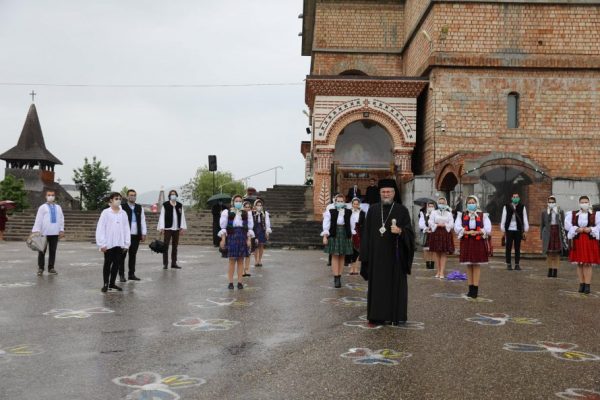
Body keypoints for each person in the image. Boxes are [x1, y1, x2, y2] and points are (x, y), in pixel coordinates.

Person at [360, 179, 415, 326]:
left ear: (394, 193)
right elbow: (365, 233)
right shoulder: (372, 210)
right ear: (379, 193)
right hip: (376, 256)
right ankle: (376, 316)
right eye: (383, 191)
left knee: (394, 285)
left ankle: (394, 315)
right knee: (377, 286)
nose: (386, 194)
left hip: (394, 256)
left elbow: (410, 233)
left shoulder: (401, 210)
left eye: (389, 191)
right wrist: (365, 256)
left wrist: (400, 231)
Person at [454, 195, 492, 298]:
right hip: (467, 241)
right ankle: (470, 289)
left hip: (478, 242)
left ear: (477, 203)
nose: (471, 204)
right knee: (469, 265)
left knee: (476, 265)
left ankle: (475, 289)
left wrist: (478, 232)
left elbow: (488, 228)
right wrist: (466, 231)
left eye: (473, 202)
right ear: (466, 204)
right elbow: (457, 227)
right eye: (469, 203)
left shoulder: (482, 215)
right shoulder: (461, 215)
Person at [95, 192, 130, 293]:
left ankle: (112, 283)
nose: (118, 200)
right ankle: (105, 284)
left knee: (116, 264)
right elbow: (100, 228)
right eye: (116, 198)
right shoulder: (106, 213)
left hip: (119, 243)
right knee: (107, 263)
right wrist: (102, 243)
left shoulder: (123, 213)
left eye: (119, 198)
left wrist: (126, 243)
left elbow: (126, 228)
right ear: (111, 200)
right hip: (108, 243)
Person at [564, 195, 599, 294]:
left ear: (589, 203)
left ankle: (587, 285)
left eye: (586, 202)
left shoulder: (595, 214)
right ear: (579, 203)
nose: (584, 204)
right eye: (582, 202)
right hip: (578, 240)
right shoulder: (573, 214)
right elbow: (567, 224)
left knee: (587, 263)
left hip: (589, 240)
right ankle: (581, 283)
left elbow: (599, 225)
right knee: (579, 263)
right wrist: (576, 229)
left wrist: (591, 229)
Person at [219, 195, 254, 289]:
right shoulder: (227, 212)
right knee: (231, 261)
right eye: (236, 201)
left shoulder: (246, 213)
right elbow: (223, 227)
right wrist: (223, 239)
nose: (238, 202)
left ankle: (240, 282)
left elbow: (249, 228)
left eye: (240, 201)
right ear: (233, 202)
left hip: (242, 237)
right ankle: (230, 282)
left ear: (242, 202)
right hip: (231, 237)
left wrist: (249, 240)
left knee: (240, 261)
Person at [322, 193, 353, 288]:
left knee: (342, 255)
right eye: (338, 201)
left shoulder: (348, 211)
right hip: (334, 233)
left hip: (344, 233)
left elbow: (351, 224)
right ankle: (336, 277)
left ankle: (339, 275)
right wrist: (325, 236)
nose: (340, 202)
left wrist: (351, 235)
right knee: (335, 255)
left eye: (341, 201)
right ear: (335, 202)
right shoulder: (330, 211)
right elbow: (326, 224)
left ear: (344, 202)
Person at [32, 190, 65, 276]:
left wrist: (61, 230)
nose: (51, 196)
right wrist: (36, 231)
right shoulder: (42, 207)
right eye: (49, 195)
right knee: (41, 251)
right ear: (46, 196)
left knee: (53, 251)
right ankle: (41, 268)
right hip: (43, 233)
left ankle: (51, 268)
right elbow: (38, 219)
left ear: (55, 196)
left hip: (55, 233)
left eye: (52, 195)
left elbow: (61, 219)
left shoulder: (58, 207)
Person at [120, 189, 147, 282]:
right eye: (131, 195)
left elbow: (143, 221)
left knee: (133, 255)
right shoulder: (122, 207)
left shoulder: (139, 208)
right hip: (125, 235)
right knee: (122, 255)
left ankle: (131, 274)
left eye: (134, 195)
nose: (133, 197)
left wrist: (143, 233)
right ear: (127, 197)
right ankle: (121, 275)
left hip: (136, 235)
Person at [158, 190, 187, 269]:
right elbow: (162, 216)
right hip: (168, 228)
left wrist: (182, 227)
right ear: (169, 196)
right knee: (165, 246)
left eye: (174, 194)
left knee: (175, 246)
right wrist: (162, 227)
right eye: (171, 194)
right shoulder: (165, 205)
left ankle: (174, 263)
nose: (173, 195)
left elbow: (182, 217)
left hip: (176, 228)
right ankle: (165, 263)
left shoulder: (180, 205)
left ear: (176, 196)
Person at [500, 193, 529, 270]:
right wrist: (503, 229)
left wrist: (525, 230)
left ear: (519, 198)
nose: (515, 198)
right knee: (508, 247)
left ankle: (517, 264)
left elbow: (525, 218)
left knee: (517, 247)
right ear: (511, 198)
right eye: (514, 197)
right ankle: (508, 264)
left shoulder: (522, 207)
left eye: (517, 197)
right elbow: (503, 218)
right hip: (509, 229)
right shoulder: (506, 206)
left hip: (518, 230)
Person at [428, 197, 455, 279]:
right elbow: (430, 221)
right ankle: (438, 271)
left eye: (443, 203)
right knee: (436, 253)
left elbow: (452, 223)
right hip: (436, 233)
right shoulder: (434, 212)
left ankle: (442, 272)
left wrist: (445, 225)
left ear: (446, 204)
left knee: (443, 253)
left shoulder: (449, 213)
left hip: (445, 233)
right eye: (440, 203)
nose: (441, 204)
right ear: (437, 204)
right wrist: (436, 225)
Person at [540, 195, 566, 278]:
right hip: (548, 232)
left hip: (557, 232)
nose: (551, 203)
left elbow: (563, 224)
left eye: (553, 202)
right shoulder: (544, 212)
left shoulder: (560, 211)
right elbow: (542, 224)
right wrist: (541, 235)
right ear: (547, 203)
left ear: (555, 202)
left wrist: (563, 235)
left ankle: (555, 270)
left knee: (556, 253)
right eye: (549, 202)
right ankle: (550, 269)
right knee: (549, 253)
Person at [252, 199, 271, 267]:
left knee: (261, 245)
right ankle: (256, 260)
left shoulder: (265, 213)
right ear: (255, 206)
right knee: (255, 246)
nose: (259, 206)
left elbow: (267, 223)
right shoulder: (252, 213)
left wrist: (267, 232)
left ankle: (259, 260)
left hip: (262, 229)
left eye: (260, 205)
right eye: (257, 205)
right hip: (255, 229)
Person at [349, 197, 365, 275]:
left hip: (359, 233)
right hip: (351, 232)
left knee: (358, 251)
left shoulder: (362, 213)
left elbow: (364, 223)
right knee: (352, 251)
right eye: (354, 204)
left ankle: (356, 268)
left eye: (357, 204)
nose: (355, 205)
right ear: (352, 204)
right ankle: (352, 268)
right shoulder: (349, 212)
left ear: (359, 204)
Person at [419, 202, 435, 270]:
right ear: (427, 207)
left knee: (433, 249)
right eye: (429, 206)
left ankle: (433, 263)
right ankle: (427, 263)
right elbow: (421, 223)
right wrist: (426, 228)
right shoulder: (423, 214)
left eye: (432, 206)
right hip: (426, 233)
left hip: (434, 232)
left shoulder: (436, 214)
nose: (430, 207)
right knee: (426, 249)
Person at [242, 201, 255, 277]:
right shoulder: (240, 214)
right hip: (240, 234)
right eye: (245, 207)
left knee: (248, 253)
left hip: (248, 234)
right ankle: (242, 269)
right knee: (242, 253)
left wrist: (249, 238)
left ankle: (247, 269)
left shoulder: (250, 215)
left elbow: (251, 226)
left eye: (248, 207)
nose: (247, 208)